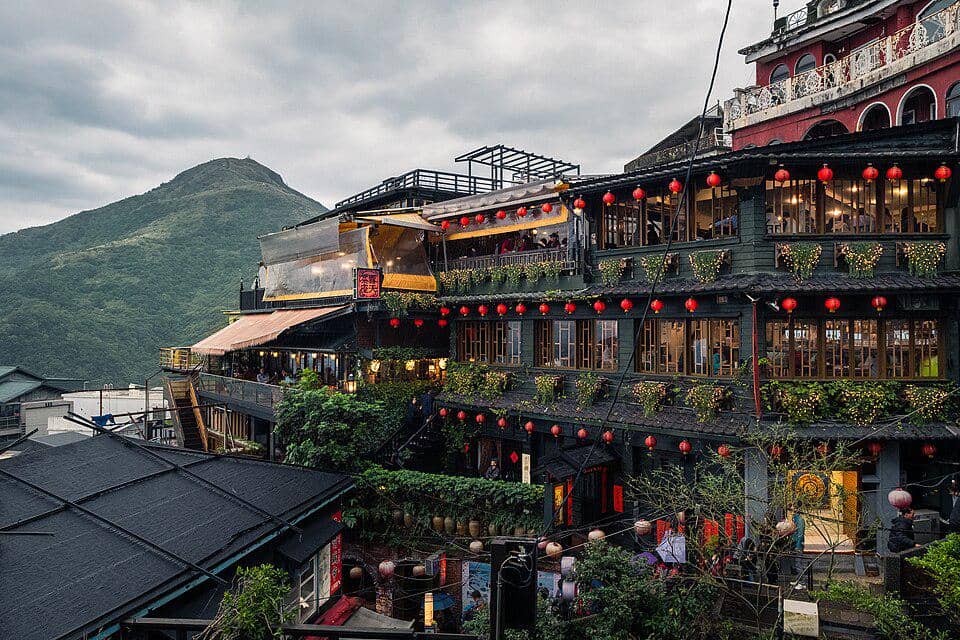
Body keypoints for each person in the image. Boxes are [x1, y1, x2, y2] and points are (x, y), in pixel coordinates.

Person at [791, 511, 806, 579]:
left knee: (798, 563)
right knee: (796, 563)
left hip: (798, 545)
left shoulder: (800, 520)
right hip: (795, 544)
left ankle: (801, 582)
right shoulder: (795, 519)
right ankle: (798, 580)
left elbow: (800, 534)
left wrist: (798, 546)